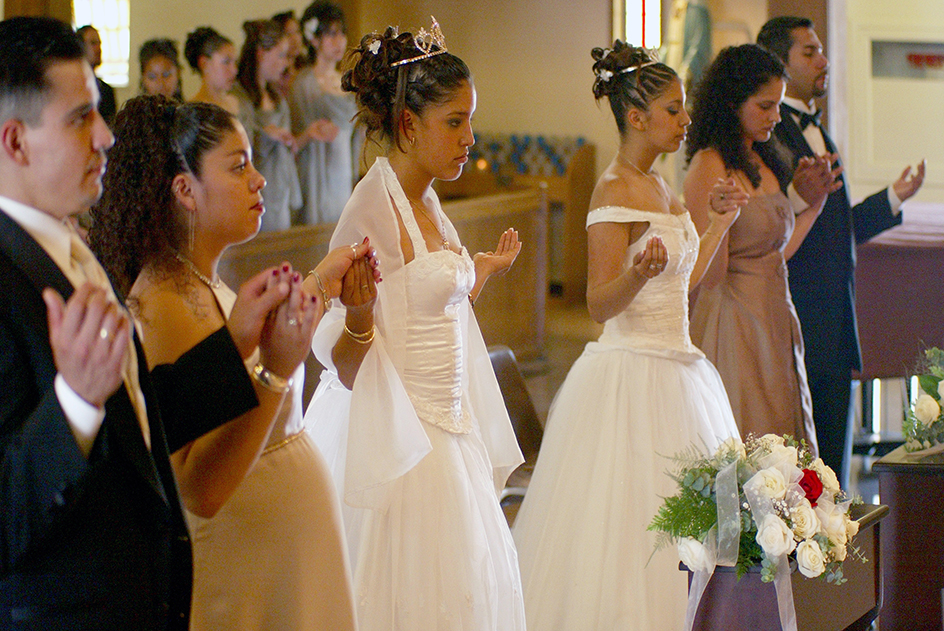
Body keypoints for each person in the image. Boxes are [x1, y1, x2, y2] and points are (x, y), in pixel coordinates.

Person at [0, 17, 292, 629]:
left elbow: (137, 425)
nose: (106, 135)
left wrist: (236, 343)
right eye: (81, 118)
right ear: (15, 142)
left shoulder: (72, 250)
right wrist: (74, 403)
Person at [90, 95, 376, 630]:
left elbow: (239, 353)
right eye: (238, 165)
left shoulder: (198, 282)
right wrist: (275, 372)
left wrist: (322, 283)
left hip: (279, 556)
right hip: (244, 565)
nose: (260, 180)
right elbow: (197, 482)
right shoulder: (165, 301)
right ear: (185, 191)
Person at [303, 21, 526, 630]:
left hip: (451, 431)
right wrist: (357, 316)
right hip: (403, 442)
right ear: (407, 125)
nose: (469, 139)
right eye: (454, 122)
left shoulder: (427, 199)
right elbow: (335, 353)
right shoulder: (372, 204)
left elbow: (426, 308)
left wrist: (476, 275)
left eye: (469, 121)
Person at [511, 41, 742, 631]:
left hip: (680, 368)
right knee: (631, 528)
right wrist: (635, 274)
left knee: (689, 532)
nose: (685, 120)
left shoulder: (664, 187)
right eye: (673, 109)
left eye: (683, 108)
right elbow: (595, 304)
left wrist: (717, 225)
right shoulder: (614, 189)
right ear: (636, 118)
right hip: (629, 375)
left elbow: (683, 284)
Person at [757, 17, 926, 488]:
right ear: (780, 63)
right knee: (796, 465)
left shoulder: (818, 131)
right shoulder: (769, 137)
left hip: (835, 322)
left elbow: (838, 229)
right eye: (809, 53)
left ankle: (828, 551)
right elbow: (768, 227)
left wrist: (892, 198)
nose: (824, 61)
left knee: (831, 464)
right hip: (797, 318)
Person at [684, 44, 839, 450]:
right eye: (765, 106)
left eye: (777, 105)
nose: (775, 116)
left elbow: (777, 254)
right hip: (734, 320)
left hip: (776, 313)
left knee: (787, 440)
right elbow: (710, 274)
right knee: (749, 441)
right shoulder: (710, 165)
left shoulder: (765, 159)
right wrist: (720, 220)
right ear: (732, 103)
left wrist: (813, 204)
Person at [291, 0, 363, 224]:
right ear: (314, 39)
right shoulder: (304, 82)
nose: (339, 41)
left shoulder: (347, 82)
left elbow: (353, 133)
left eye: (341, 33)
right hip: (315, 171)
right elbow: (295, 134)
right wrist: (312, 133)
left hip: (342, 170)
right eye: (331, 34)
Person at [235, 20, 306, 231]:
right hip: (254, 189)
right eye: (281, 55)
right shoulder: (239, 98)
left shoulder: (278, 98)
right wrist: (265, 135)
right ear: (261, 54)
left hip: (280, 191)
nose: (285, 64)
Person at [185, 26, 239, 114]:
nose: (234, 70)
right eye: (226, 62)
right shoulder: (194, 111)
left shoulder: (234, 102)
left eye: (235, 62)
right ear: (204, 63)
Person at [77, 24, 116, 124]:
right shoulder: (70, 87)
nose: (98, 49)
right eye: (93, 43)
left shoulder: (106, 90)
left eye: (99, 44)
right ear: (80, 47)